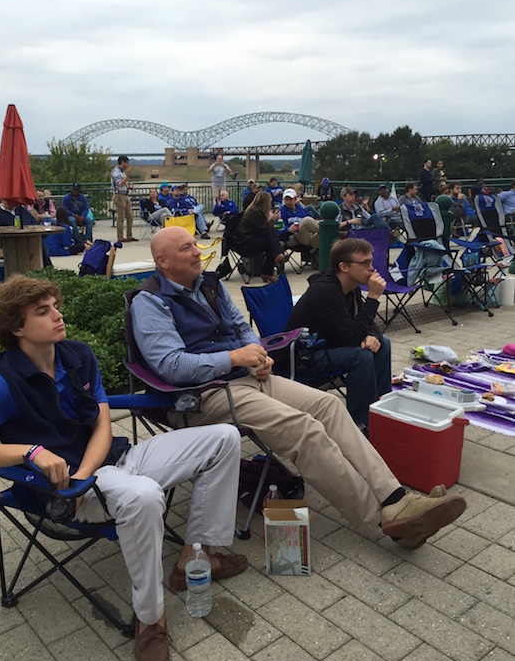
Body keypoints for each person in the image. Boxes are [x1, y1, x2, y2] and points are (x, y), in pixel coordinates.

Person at [0, 275, 247, 661]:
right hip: (60, 492)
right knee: (145, 496)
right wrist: (29, 452)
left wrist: (84, 474)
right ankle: (151, 621)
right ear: (17, 327)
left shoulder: (77, 355)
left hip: (102, 468)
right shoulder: (0, 380)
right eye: (42, 311)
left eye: (56, 305)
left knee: (223, 437)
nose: (58, 315)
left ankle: (195, 559)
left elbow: (102, 425)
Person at [129, 226, 467, 552]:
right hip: (204, 394)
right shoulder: (150, 302)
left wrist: (256, 354)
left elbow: (241, 327)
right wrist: (233, 357)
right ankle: (383, 520)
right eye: (186, 248)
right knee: (303, 429)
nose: (197, 251)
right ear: (163, 261)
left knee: (328, 407)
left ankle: (397, 499)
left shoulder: (209, 285)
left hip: (249, 378)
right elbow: (171, 365)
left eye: (194, 244)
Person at [286, 238, 391, 433]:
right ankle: (360, 425)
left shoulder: (350, 288)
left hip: (329, 345)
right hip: (304, 357)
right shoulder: (325, 292)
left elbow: (364, 323)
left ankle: (381, 409)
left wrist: (373, 335)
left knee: (383, 342)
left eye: (371, 261)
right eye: (365, 263)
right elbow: (352, 336)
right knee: (361, 356)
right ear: (344, 267)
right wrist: (374, 298)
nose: (372, 268)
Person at [237, 191, 287, 282]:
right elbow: (264, 229)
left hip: (253, 238)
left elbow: (262, 229)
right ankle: (275, 258)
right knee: (271, 239)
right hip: (246, 242)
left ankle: (269, 268)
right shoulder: (254, 212)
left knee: (271, 241)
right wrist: (273, 220)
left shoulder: (256, 210)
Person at [0, 199, 51, 267]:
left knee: (38, 240)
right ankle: (47, 266)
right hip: (11, 241)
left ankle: (45, 266)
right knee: (38, 242)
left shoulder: (21, 210)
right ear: (4, 201)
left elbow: (34, 223)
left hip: (29, 237)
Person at [279, 188, 319, 253]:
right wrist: (288, 229)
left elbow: (312, 224)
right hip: (291, 238)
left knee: (322, 237)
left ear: (295, 199)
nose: (288, 202)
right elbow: (278, 229)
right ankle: (325, 229)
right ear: (283, 200)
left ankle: (326, 232)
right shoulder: (281, 212)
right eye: (286, 199)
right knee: (306, 220)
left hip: (307, 238)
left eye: (291, 199)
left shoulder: (301, 210)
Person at [111, 155, 137, 243]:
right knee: (121, 217)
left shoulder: (122, 173)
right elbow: (120, 184)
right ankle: (120, 236)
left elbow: (124, 184)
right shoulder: (116, 172)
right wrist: (128, 175)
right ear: (122, 162)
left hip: (125, 195)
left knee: (130, 216)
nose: (127, 165)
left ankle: (129, 235)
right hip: (119, 196)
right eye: (126, 163)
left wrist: (129, 186)